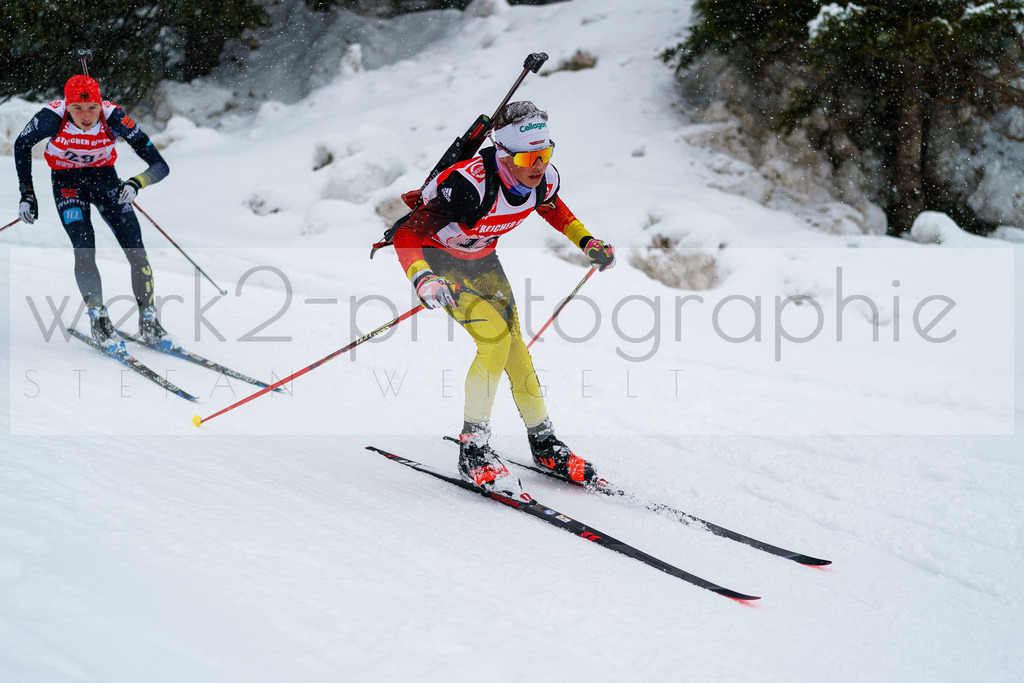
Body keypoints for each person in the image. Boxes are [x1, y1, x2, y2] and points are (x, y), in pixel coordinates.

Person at [393, 101, 617, 499]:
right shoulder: (468, 186)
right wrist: (422, 278)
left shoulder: (543, 179)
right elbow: (407, 234)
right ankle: (473, 451)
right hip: (441, 262)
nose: (539, 165)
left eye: (545, 153)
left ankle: (544, 444)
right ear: (504, 154)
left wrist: (586, 241)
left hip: (483, 262)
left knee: (516, 349)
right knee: (494, 340)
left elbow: (550, 206)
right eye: (529, 157)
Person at [14, 73, 170, 344]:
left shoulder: (114, 117)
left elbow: (160, 165)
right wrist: (27, 194)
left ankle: (148, 319)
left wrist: (136, 183)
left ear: (101, 103)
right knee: (84, 247)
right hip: (67, 184)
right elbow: (21, 144)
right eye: (77, 108)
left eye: (92, 107)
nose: (85, 116)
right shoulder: (51, 117)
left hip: (105, 182)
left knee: (136, 249)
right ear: (67, 105)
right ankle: (98, 319)